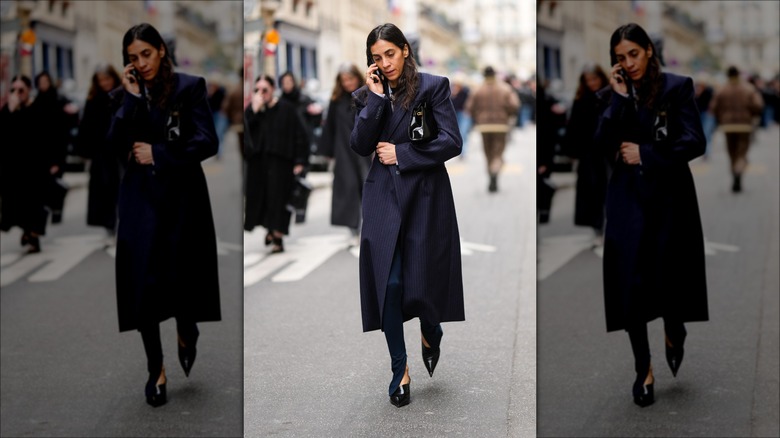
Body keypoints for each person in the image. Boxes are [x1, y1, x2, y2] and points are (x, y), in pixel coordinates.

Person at [107, 23, 221, 407]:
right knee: (143, 285)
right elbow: (111, 147)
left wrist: (159, 153)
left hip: (182, 199)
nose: (141, 63)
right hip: (140, 202)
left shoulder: (189, 87)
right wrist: (131, 99)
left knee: (182, 277)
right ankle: (155, 368)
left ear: (161, 51)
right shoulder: (123, 95)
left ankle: (187, 329)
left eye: (146, 54)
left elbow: (207, 140)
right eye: (133, 58)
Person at [350, 23, 464, 408]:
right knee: (391, 284)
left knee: (422, 280)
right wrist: (376, 99)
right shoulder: (367, 95)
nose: (385, 63)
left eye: (390, 54)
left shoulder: (433, 87)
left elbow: (451, 140)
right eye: (376, 57)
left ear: (405, 51)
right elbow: (360, 144)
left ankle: (431, 328)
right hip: (383, 196)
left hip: (425, 195)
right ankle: (400, 369)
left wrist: (404, 155)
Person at [595, 23, 708, 408]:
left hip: (670, 197)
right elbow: (600, 146)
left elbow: (694, 140)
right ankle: (643, 368)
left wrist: (647, 154)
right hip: (627, 200)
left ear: (648, 51)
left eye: (634, 54)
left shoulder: (677, 88)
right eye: (620, 58)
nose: (628, 63)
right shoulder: (611, 95)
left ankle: (674, 330)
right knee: (630, 283)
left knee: (671, 274)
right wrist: (620, 99)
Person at [243, 75, 309, 253]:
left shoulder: (286, 109)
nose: (261, 94)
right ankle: (270, 230)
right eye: (257, 90)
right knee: (264, 200)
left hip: (282, 164)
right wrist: (254, 112)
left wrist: (300, 161)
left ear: (272, 89)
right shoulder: (254, 111)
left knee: (280, 201)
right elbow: (246, 135)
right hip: (259, 165)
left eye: (264, 89)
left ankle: (278, 237)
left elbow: (300, 136)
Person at [318, 63, 371, 245]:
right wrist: (327, 152)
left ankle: (370, 227)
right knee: (348, 188)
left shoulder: (368, 95)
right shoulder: (336, 100)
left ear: (358, 77)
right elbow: (329, 127)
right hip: (344, 150)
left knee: (368, 186)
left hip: (365, 149)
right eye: (344, 80)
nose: (348, 83)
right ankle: (353, 230)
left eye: (351, 78)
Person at [0, 75, 49, 253]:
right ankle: (27, 232)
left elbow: (40, 137)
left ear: (29, 90)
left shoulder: (37, 108)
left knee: (36, 205)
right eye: (13, 90)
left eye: (21, 90)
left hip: (35, 168)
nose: (17, 94)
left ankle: (34, 236)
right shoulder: (9, 110)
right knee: (19, 205)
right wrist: (11, 111)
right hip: (14, 169)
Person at [77, 64, 123, 246]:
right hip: (101, 155)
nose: (105, 83)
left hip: (120, 152)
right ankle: (110, 229)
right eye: (101, 80)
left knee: (123, 190)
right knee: (105, 193)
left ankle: (125, 227)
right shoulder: (93, 99)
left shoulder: (123, 94)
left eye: (107, 79)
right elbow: (86, 127)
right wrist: (84, 150)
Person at [563, 64, 610, 244]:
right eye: (588, 80)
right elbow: (573, 126)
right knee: (593, 193)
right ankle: (598, 230)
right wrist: (572, 151)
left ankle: (613, 227)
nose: (592, 83)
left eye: (594, 79)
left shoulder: (610, 96)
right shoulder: (581, 99)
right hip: (588, 154)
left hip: (608, 153)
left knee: (610, 191)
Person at [709, 66, 764, 193]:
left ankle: (734, 171)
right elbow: (758, 105)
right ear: (739, 74)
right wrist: (751, 114)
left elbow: (713, 107)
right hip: (745, 125)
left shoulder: (722, 89)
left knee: (731, 153)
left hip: (727, 126)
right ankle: (739, 171)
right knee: (742, 153)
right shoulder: (748, 88)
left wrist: (721, 117)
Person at [465, 66, 520, 193]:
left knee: (488, 153)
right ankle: (495, 171)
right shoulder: (505, 88)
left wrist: (477, 116)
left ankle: (490, 174)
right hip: (501, 125)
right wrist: (507, 114)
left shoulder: (477, 89)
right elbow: (514, 105)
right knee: (498, 153)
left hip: (483, 126)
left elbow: (469, 107)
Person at [450, 73, 471, 158]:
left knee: (463, 132)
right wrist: (453, 94)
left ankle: (463, 152)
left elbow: (469, 102)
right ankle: (458, 150)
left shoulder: (466, 91)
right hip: (454, 114)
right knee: (456, 133)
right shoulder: (451, 90)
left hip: (464, 114)